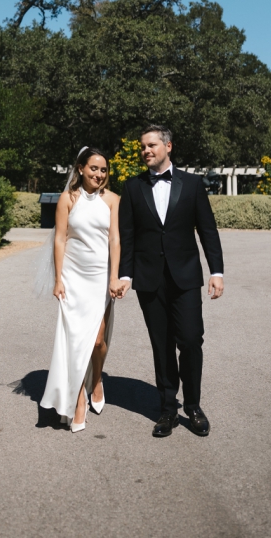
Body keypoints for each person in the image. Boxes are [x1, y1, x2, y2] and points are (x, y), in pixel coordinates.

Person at [112, 125, 223, 438]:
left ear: (168, 146)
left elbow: (208, 229)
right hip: (149, 280)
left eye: (151, 145)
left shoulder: (192, 184)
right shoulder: (132, 187)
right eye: (143, 147)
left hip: (185, 277)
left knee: (190, 340)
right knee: (161, 346)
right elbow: (128, 235)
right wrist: (125, 274)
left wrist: (217, 271)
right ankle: (167, 409)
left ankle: (193, 406)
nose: (146, 151)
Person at [40, 147, 121, 433]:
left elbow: (114, 241)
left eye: (103, 170)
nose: (99, 174)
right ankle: (77, 402)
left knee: (97, 341)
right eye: (93, 168)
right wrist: (58, 279)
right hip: (73, 278)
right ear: (81, 169)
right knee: (74, 342)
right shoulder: (67, 199)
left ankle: (96, 379)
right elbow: (59, 239)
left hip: (100, 279)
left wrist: (115, 278)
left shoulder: (112, 200)